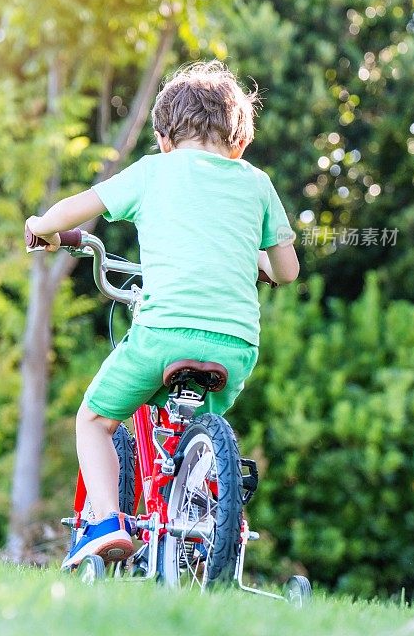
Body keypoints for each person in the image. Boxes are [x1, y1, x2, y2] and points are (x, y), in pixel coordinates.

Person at [25, 61, 299, 569]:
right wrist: (252, 258)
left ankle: (107, 521)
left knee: (94, 419)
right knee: (202, 415)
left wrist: (41, 226)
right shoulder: (257, 183)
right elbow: (286, 269)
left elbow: (77, 208)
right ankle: (207, 501)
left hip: (162, 333)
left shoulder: (153, 170)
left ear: (164, 137)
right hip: (235, 346)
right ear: (239, 142)